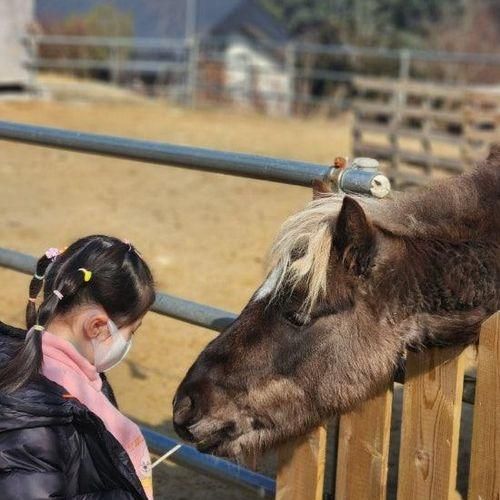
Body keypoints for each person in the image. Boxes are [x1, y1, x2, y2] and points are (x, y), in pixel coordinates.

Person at [0, 235, 156, 499]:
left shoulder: (28, 366)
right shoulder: (41, 423)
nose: (129, 342)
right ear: (97, 326)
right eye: (132, 331)